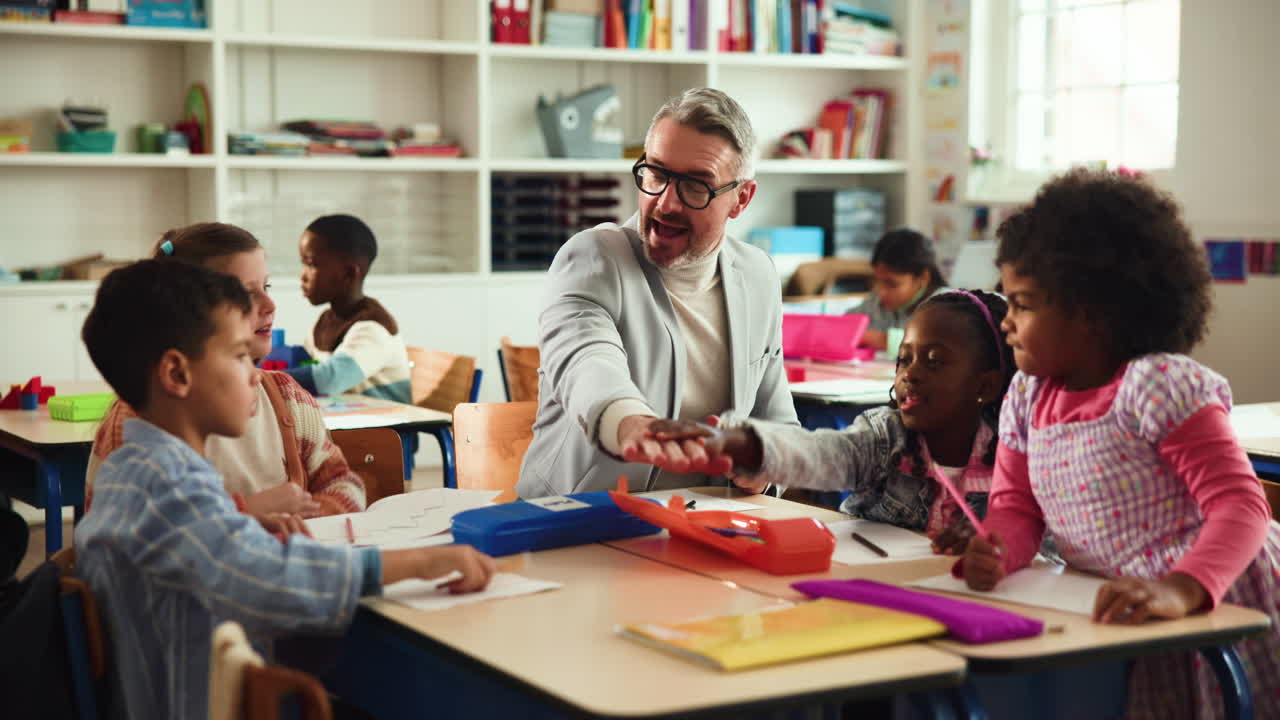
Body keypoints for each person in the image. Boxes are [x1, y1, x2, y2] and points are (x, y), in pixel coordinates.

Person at [75, 259, 495, 720]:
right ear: (176, 374)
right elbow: (266, 578)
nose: (255, 374)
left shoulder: (135, 470)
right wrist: (422, 560)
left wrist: (239, 524)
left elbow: (207, 556)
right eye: (239, 356)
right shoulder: (168, 485)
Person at [959, 168, 1280, 719]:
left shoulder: (1157, 385)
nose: (1006, 324)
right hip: (1128, 602)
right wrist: (998, 550)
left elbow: (1241, 505)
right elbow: (1016, 508)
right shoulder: (1027, 398)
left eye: (1024, 304)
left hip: (1216, 595)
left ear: (1096, 314)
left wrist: (1184, 589)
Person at [516, 87, 799, 498]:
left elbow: (779, 424)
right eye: (657, 174)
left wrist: (766, 464)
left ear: (741, 199)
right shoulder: (594, 258)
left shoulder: (756, 275)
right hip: (582, 525)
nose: (666, 203)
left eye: (696, 186)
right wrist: (634, 425)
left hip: (707, 530)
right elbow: (587, 365)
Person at [643, 290, 1015, 553]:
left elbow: (1036, 544)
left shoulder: (1015, 455)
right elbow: (819, 453)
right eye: (904, 359)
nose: (910, 375)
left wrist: (998, 541)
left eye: (933, 361)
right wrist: (730, 441)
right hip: (877, 592)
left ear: (985, 384)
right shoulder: (886, 438)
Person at [87, 223, 365, 518]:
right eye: (244, 294)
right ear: (187, 313)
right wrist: (252, 515)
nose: (269, 304)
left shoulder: (287, 398)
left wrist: (307, 517)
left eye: (266, 287)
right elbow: (137, 535)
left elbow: (342, 483)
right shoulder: (144, 420)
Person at [286, 213, 412, 404]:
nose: (303, 276)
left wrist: (265, 378)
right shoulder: (327, 320)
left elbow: (328, 379)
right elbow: (303, 360)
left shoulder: (373, 327)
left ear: (348, 273)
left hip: (389, 430)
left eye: (311, 265)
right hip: (349, 422)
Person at [848, 228, 949, 350]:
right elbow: (847, 324)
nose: (881, 291)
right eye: (877, 281)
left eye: (891, 284)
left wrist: (876, 338)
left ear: (923, 277)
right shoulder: (876, 300)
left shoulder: (947, 305)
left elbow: (935, 345)